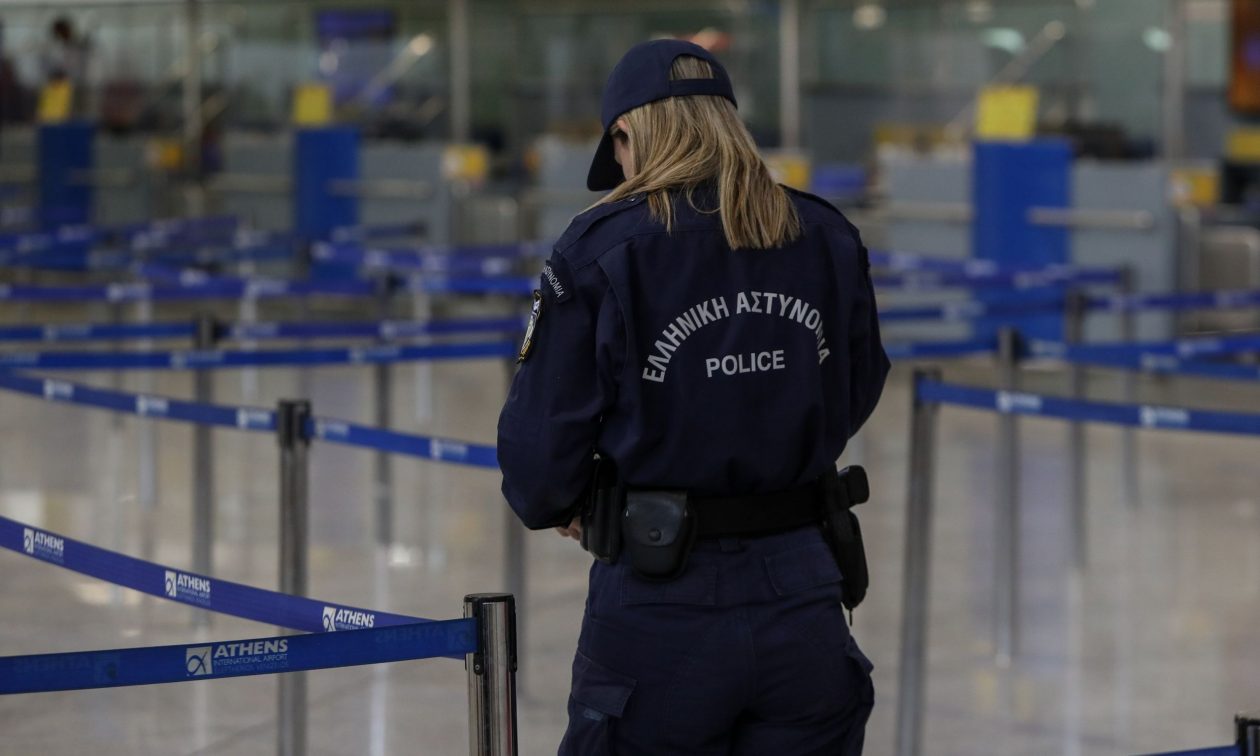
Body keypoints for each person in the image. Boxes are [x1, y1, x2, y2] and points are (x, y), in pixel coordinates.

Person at [497, 38, 890, 755]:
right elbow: (858, 384)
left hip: (660, 597)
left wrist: (570, 499)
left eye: (618, 150)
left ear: (628, 133)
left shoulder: (600, 249)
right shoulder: (823, 234)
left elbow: (539, 451)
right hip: (804, 587)